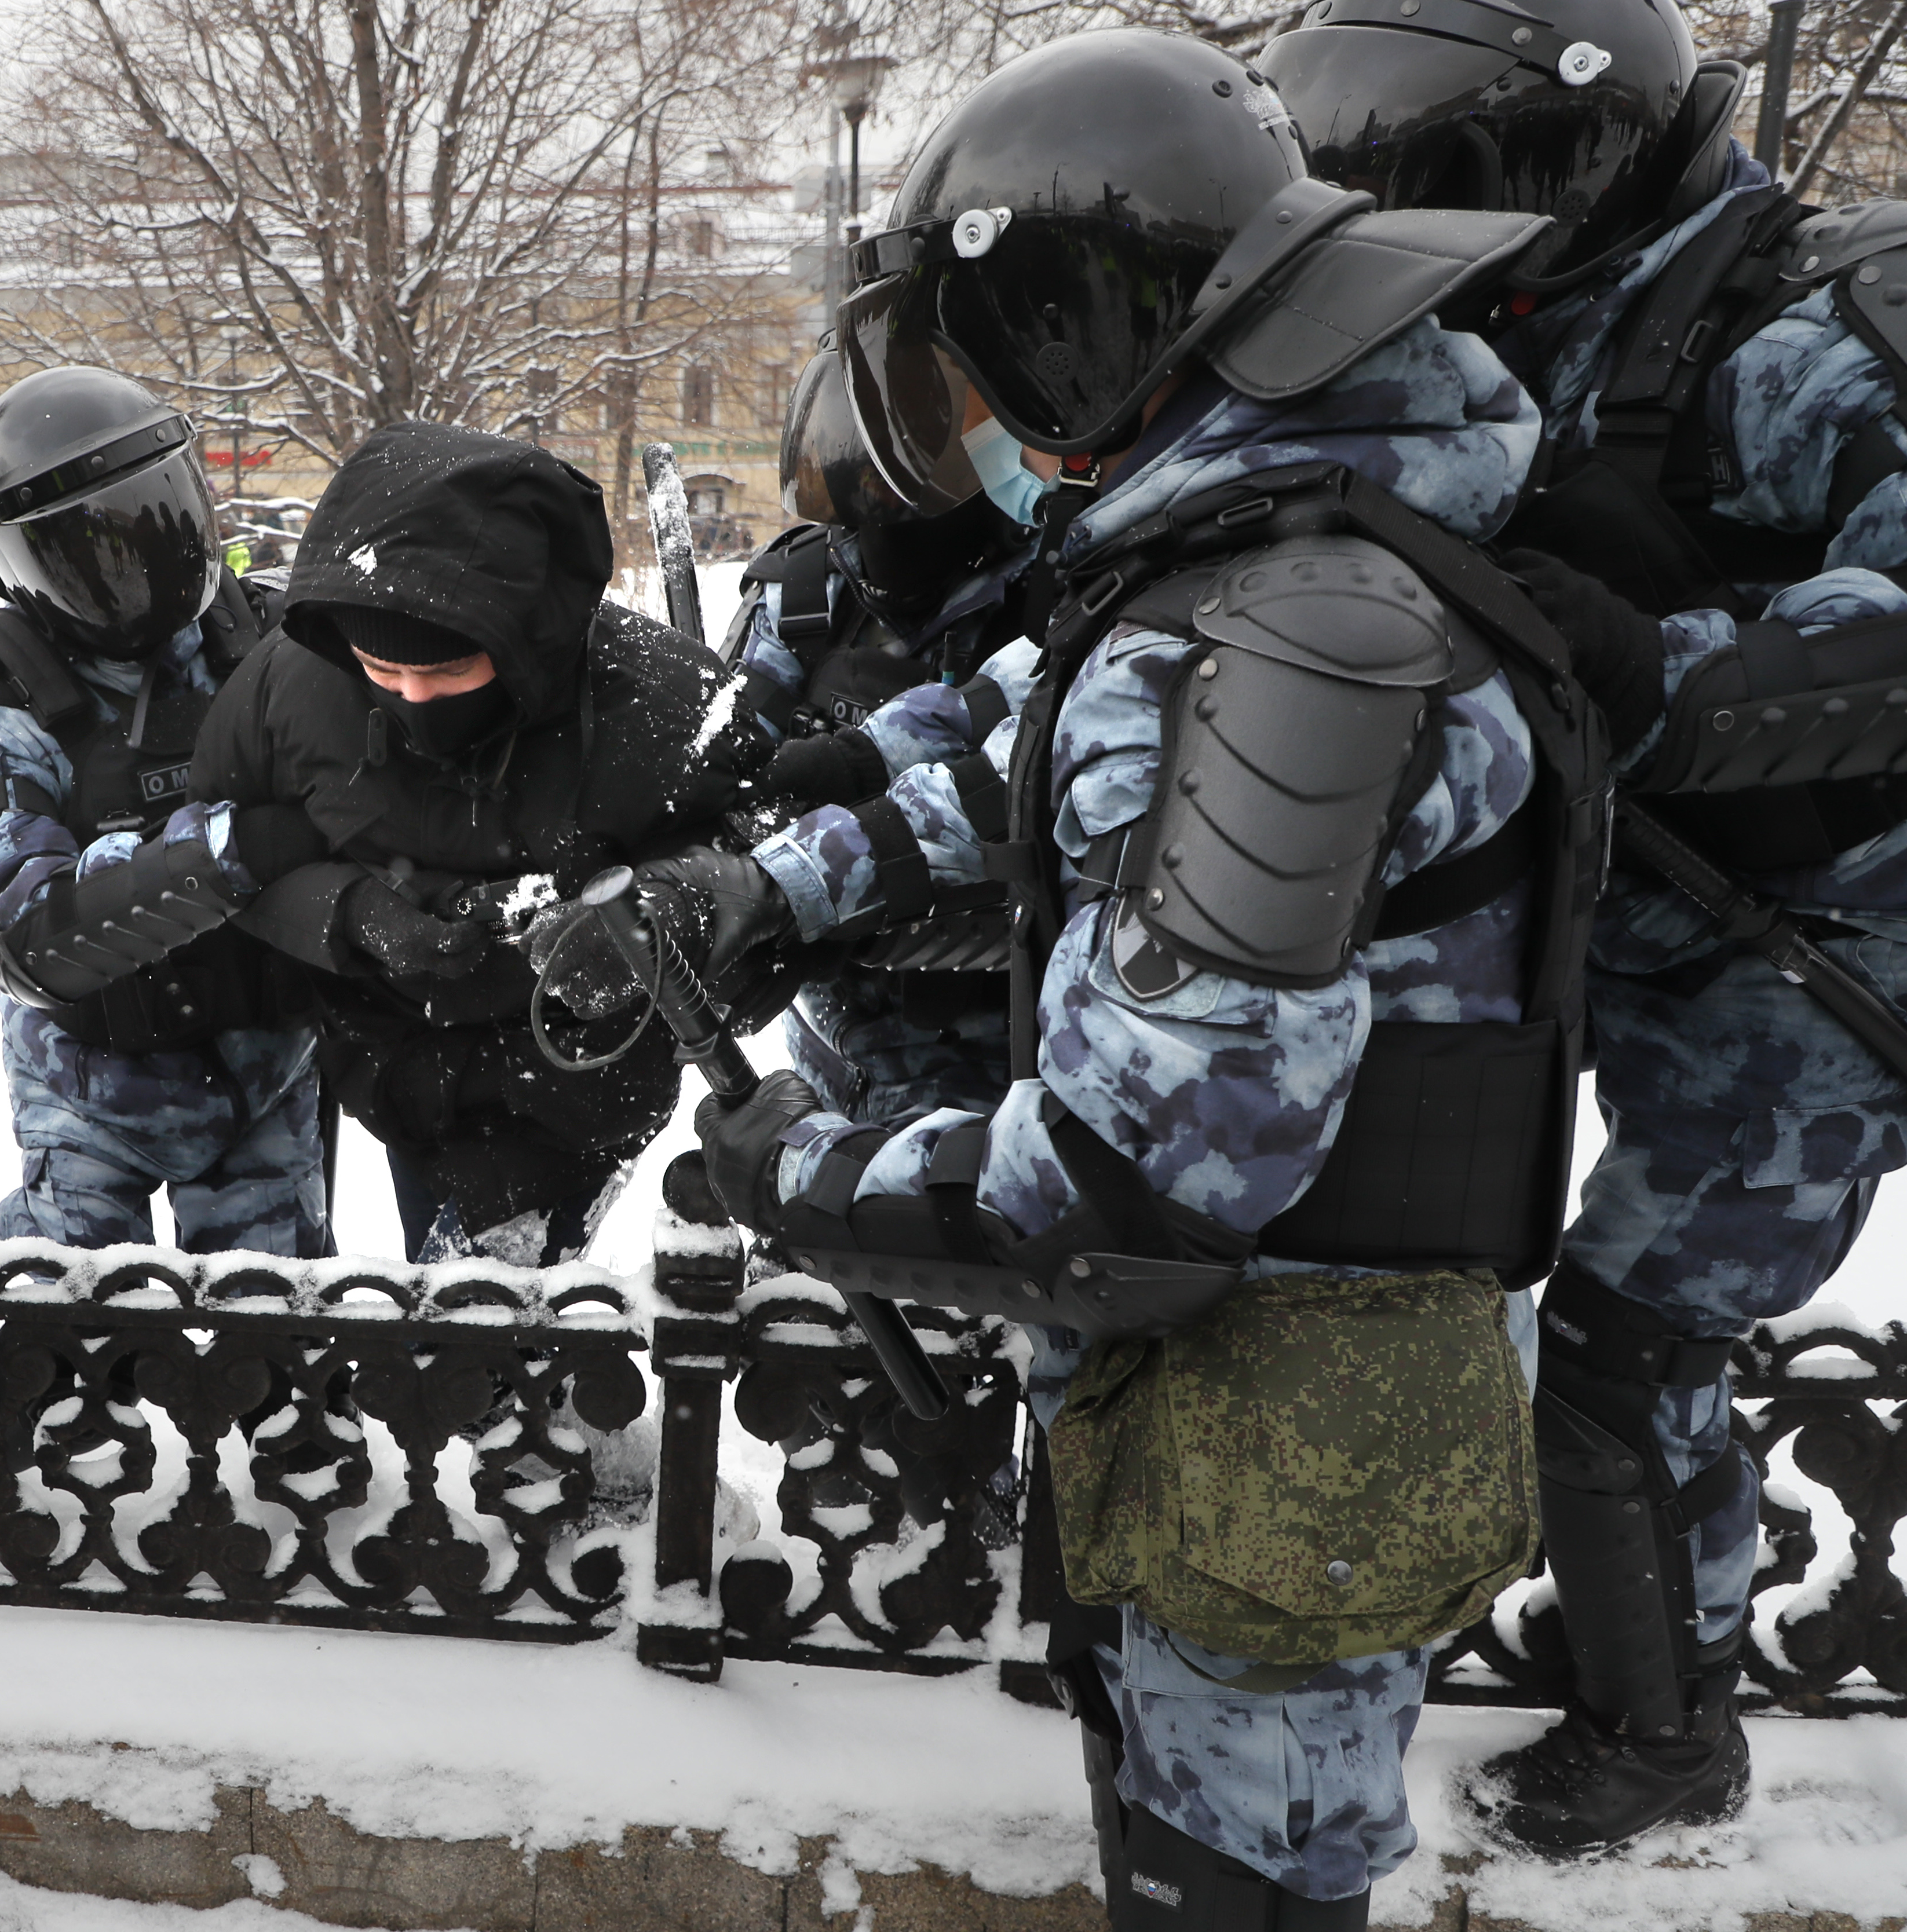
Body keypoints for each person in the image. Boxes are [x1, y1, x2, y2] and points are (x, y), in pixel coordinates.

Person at [683, 32, 1598, 1923]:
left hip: (1276, 1408)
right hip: (1278, 1394)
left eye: (978, 369)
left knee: (1232, 1882)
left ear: (1065, 336)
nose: (975, 431)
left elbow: (1144, 1164)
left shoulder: (1270, 636)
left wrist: (809, 1168)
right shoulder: (1286, 547)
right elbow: (1010, 757)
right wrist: (758, 888)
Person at [1262, 0, 1907, 1855]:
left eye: (1431, 177)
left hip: (1817, 954)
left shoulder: (1817, 328)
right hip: (1610, 928)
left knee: (1623, 1352)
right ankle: (1625, 1619)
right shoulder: (1533, 328)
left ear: (1569, 151)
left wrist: (1654, 670)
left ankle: (1661, 1734)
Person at [193, 420, 760, 1264]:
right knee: (458, 1329)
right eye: (384, 675)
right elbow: (220, 850)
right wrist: (349, 916)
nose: (417, 697)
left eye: (452, 671)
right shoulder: (293, 681)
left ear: (525, 639)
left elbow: (777, 861)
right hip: (393, 1066)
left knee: (485, 1330)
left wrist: (662, 923)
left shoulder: (661, 701)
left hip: (578, 1078)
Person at [0, 367, 330, 1254]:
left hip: (267, 1077)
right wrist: (235, 846)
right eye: (82, 552)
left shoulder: (276, 640)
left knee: (287, 1369)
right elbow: (30, 934)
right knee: (72, 1368)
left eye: (143, 531)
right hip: (86, 1094)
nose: (124, 572)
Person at [726, 344, 1025, 1128]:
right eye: (844, 505)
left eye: (890, 502)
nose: (869, 530)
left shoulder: (1063, 588)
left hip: (1024, 1053)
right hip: (840, 1048)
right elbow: (724, 752)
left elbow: (1039, 770)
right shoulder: (801, 595)